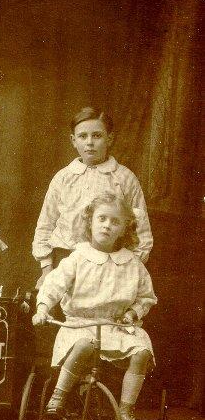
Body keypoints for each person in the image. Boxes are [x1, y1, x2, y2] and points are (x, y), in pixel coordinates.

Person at [32, 192, 157, 420]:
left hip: (116, 326)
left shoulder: (132, 264)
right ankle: (59, 395)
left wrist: (133, 312)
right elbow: (54, 285)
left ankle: (125, 410)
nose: (107, 225)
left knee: (141, 351)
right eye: (102, 219)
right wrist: (43, 308)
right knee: (84, 345)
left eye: (115, 222)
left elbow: (146, 297)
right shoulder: (77, 258)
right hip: (80, 325)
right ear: (90, 222)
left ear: (124, 229)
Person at [32, 107, 153, 288]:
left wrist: (127, 270)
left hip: (109, 264)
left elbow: (141, 229)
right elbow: (45, 224)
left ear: (109, 138)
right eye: (82, 136)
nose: (89, 142)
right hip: (65, 258)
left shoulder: (124, 178)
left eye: (96, 136)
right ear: (73, 140)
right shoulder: (63, 178)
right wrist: (47, 269)